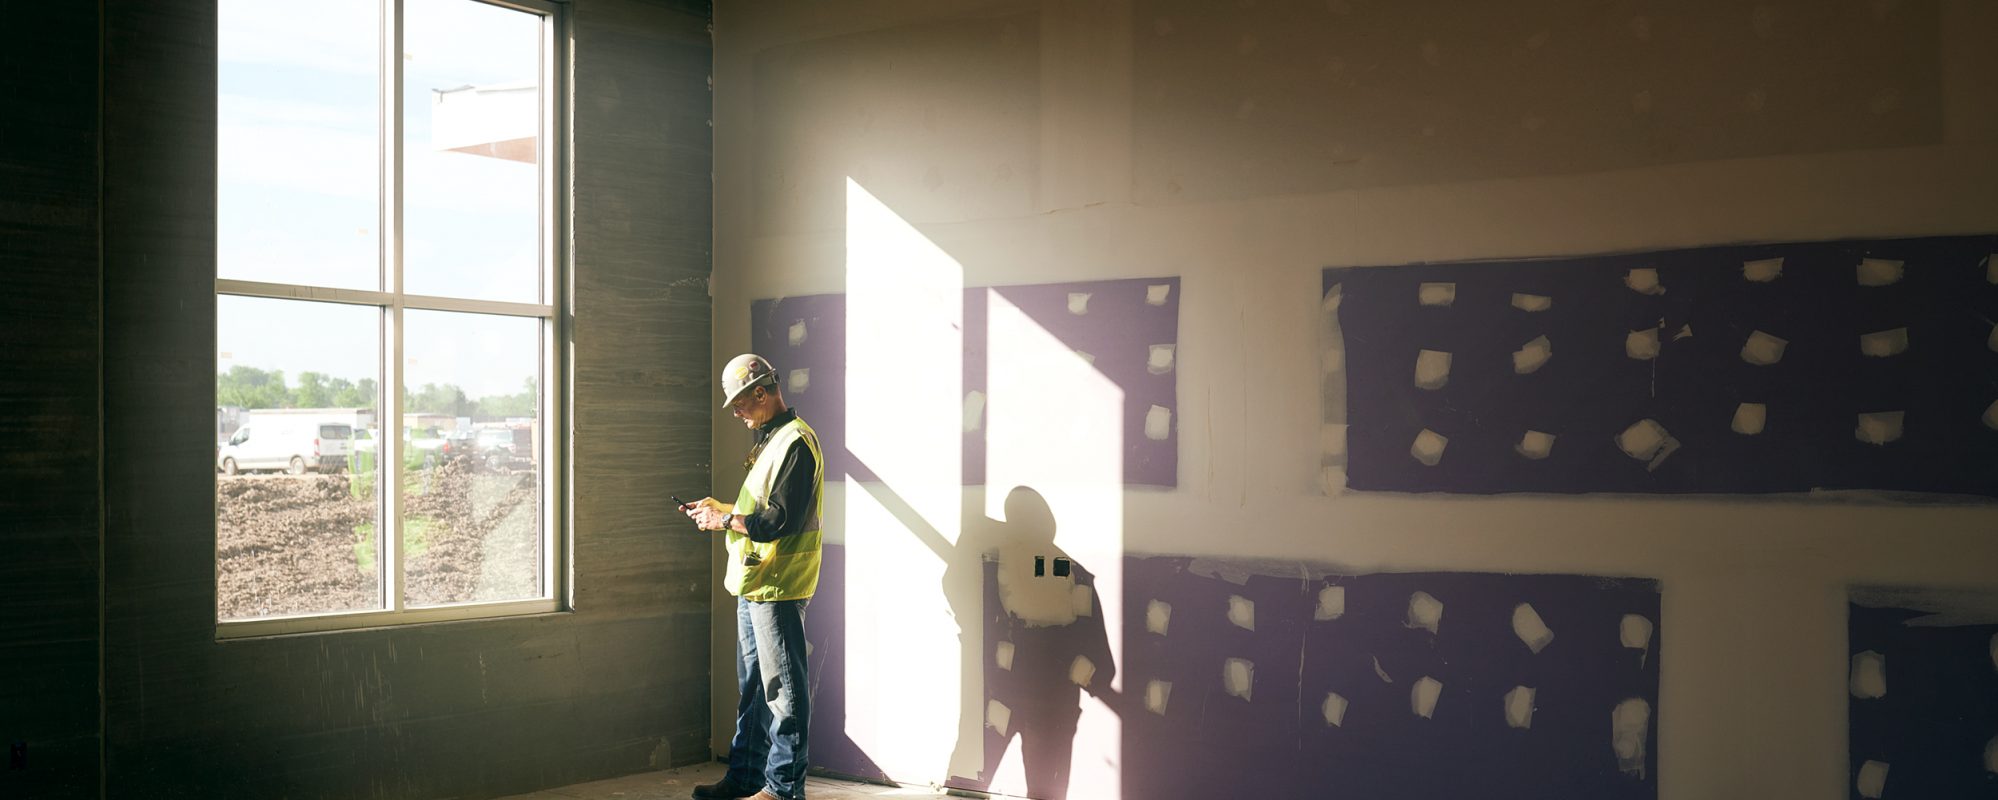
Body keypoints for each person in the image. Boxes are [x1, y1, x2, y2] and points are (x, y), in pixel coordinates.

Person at [684, 353, 826, 800]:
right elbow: (759, 512)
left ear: (761, 392)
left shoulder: (796, 443)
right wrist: (722, 509)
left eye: (740, 403)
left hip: (778, 586)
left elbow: (778, 521)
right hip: (755, 584)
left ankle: (783, 790)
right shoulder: (774, 440)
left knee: (784, 692)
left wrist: (725, 523)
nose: (737, 412)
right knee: (753, 691)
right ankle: (746, 777)